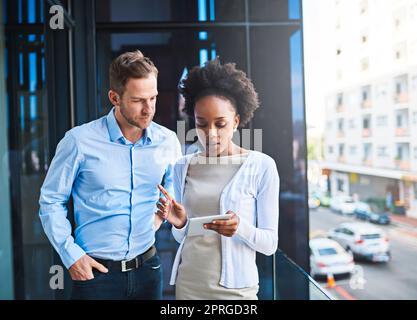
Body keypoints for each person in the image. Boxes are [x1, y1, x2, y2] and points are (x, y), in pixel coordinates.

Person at [39, 50, 182, 300]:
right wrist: (71, 256)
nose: (149, 109)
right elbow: (51, 201)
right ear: (115, 97)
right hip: (97, 276)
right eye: (138, 100)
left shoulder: (168, 141)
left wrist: (160, 219)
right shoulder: (78, 142)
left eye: (153, 98)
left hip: (148, 270)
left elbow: (174, 193)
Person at [156, 59, 280, 300]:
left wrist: (240, 228)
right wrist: (180, 224)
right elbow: (182, 237)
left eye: (220, 124)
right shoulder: (183, 166)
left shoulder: (261, 166)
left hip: (236, 292)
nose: (210, 134)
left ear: (236, 121)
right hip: (189, 285)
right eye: (201, 124)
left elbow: (269, 244)